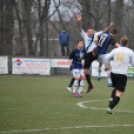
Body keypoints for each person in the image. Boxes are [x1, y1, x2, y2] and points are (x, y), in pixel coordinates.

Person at [77, 15, 114, 93]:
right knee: (85, 72)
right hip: (88, 56)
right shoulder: (85, 36)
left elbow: (104, 31)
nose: (90, 33)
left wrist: (109, 26)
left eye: (91, 32)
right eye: (89, 32)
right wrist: (79, 21)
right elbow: (80, 29)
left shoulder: (96, 35)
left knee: (99, 52)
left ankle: (109, 77)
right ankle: (90, 85)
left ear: (93, 32)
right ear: (86, 32)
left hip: (93, 53)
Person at [104, 37, 134, 114]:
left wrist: (106, 66)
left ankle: (111, 99)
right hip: (122, 74)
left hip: (113, 73)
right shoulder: (130, 52)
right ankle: (110, 108)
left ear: (120, 43)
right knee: (119, 93)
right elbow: (133, 64)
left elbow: (106, 58)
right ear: (128, 44)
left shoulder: (115, 50)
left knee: (116, 88)